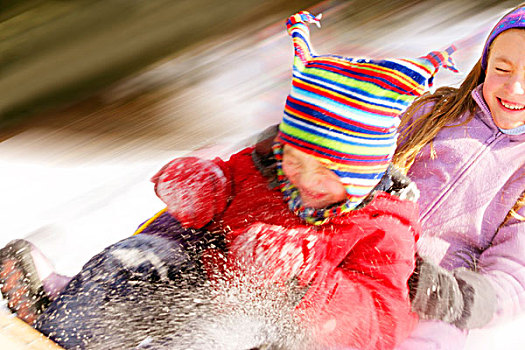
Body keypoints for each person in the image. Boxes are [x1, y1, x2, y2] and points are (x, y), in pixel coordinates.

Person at [0, 10, 460, 350]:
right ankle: (64, 319)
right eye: (294, 160)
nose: (302, 179)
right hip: (193, 280)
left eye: (326, 171)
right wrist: (206, 188)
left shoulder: (383, 228)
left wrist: (307, 283)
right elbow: (220, 190)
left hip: (275, 331)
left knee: (228, 326)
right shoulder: (266, 167)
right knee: (139, 258)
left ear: (361, 171)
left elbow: (381, 323)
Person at [391, 3, 525, 349]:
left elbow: (515, 272)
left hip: (438, 294)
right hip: (369, 246)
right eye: (502, 68)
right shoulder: (434, 113)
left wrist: (466, 299)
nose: (514, 89)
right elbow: (363, 152)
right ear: (484, 65)